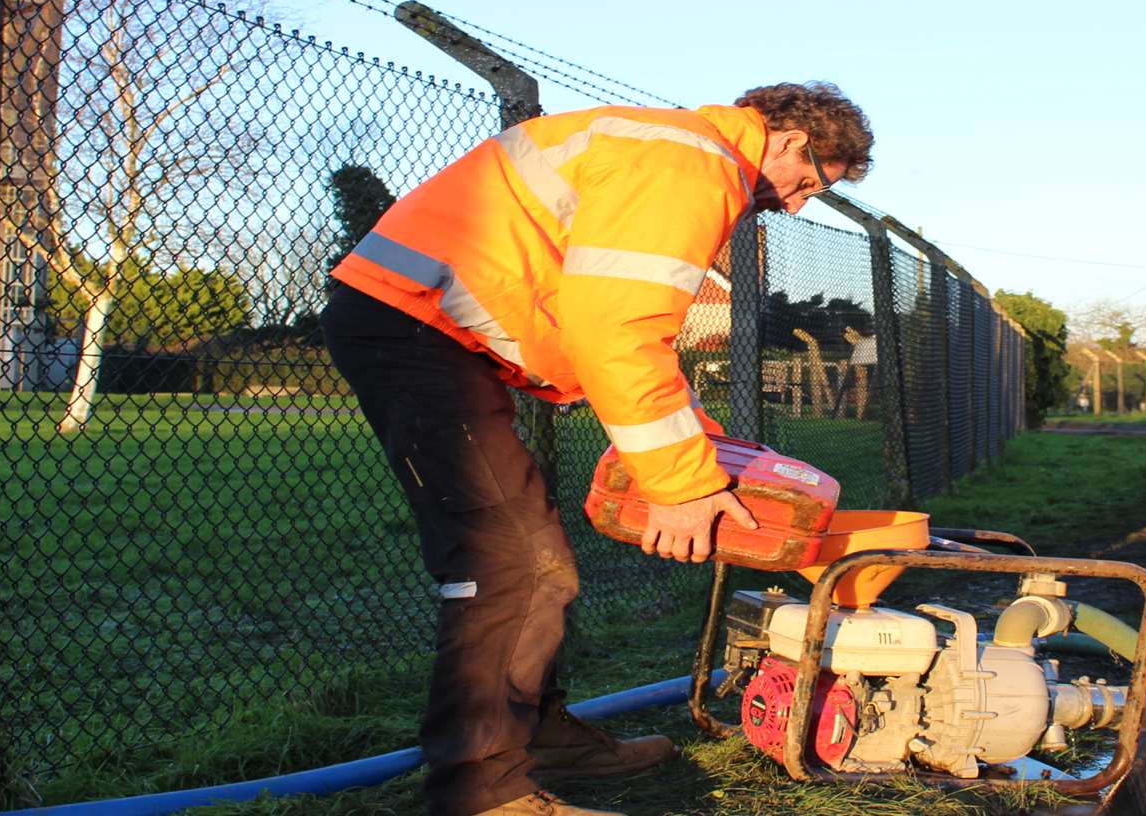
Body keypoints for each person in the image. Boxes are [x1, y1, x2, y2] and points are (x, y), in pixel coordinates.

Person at [321, 83, 874, 816]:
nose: (797, 203)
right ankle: (480, 793)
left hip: (425, 326)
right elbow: (615, 329)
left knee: (535, 558)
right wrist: (679, 485)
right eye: (807, 183)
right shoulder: (693, 164)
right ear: (789, 138)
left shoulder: (671, 148)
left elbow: (612, 319)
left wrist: (704, 449)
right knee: (512, 565)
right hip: (413, 328)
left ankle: (541, 738)